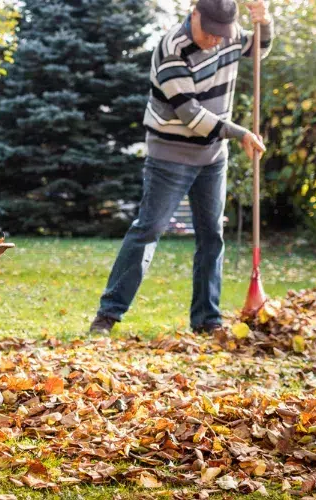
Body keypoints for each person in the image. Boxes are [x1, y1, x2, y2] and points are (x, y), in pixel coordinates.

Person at [90, 0, 273, 335]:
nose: (215, 40)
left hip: (213, 157)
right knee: (149, 230)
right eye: (210, 32)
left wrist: (265, 22)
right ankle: (108, 315)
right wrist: (240, 133)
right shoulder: (171, 48)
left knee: (211, 235)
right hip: (170, 155)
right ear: (194, 14)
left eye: (222, 34)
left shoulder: (227, 35)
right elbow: (190, 114)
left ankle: (207, 321)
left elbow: (258, 48)